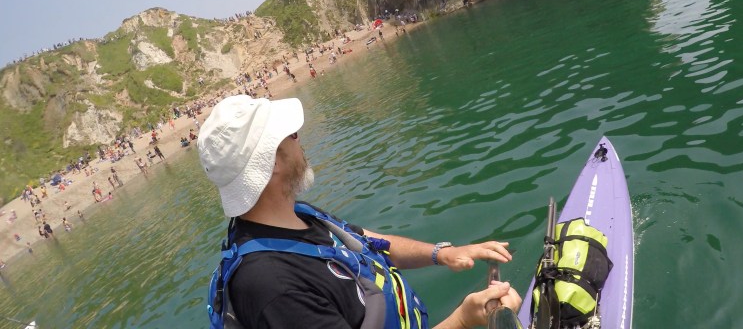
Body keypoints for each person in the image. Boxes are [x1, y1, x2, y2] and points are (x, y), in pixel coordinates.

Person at [198, 95, 520, 329]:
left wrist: (443, 253)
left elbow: (368, 243)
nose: (302, 142)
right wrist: (464, 321)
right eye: (293, 135)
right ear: (272, 165)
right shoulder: (272, 287)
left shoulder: (299, 215)